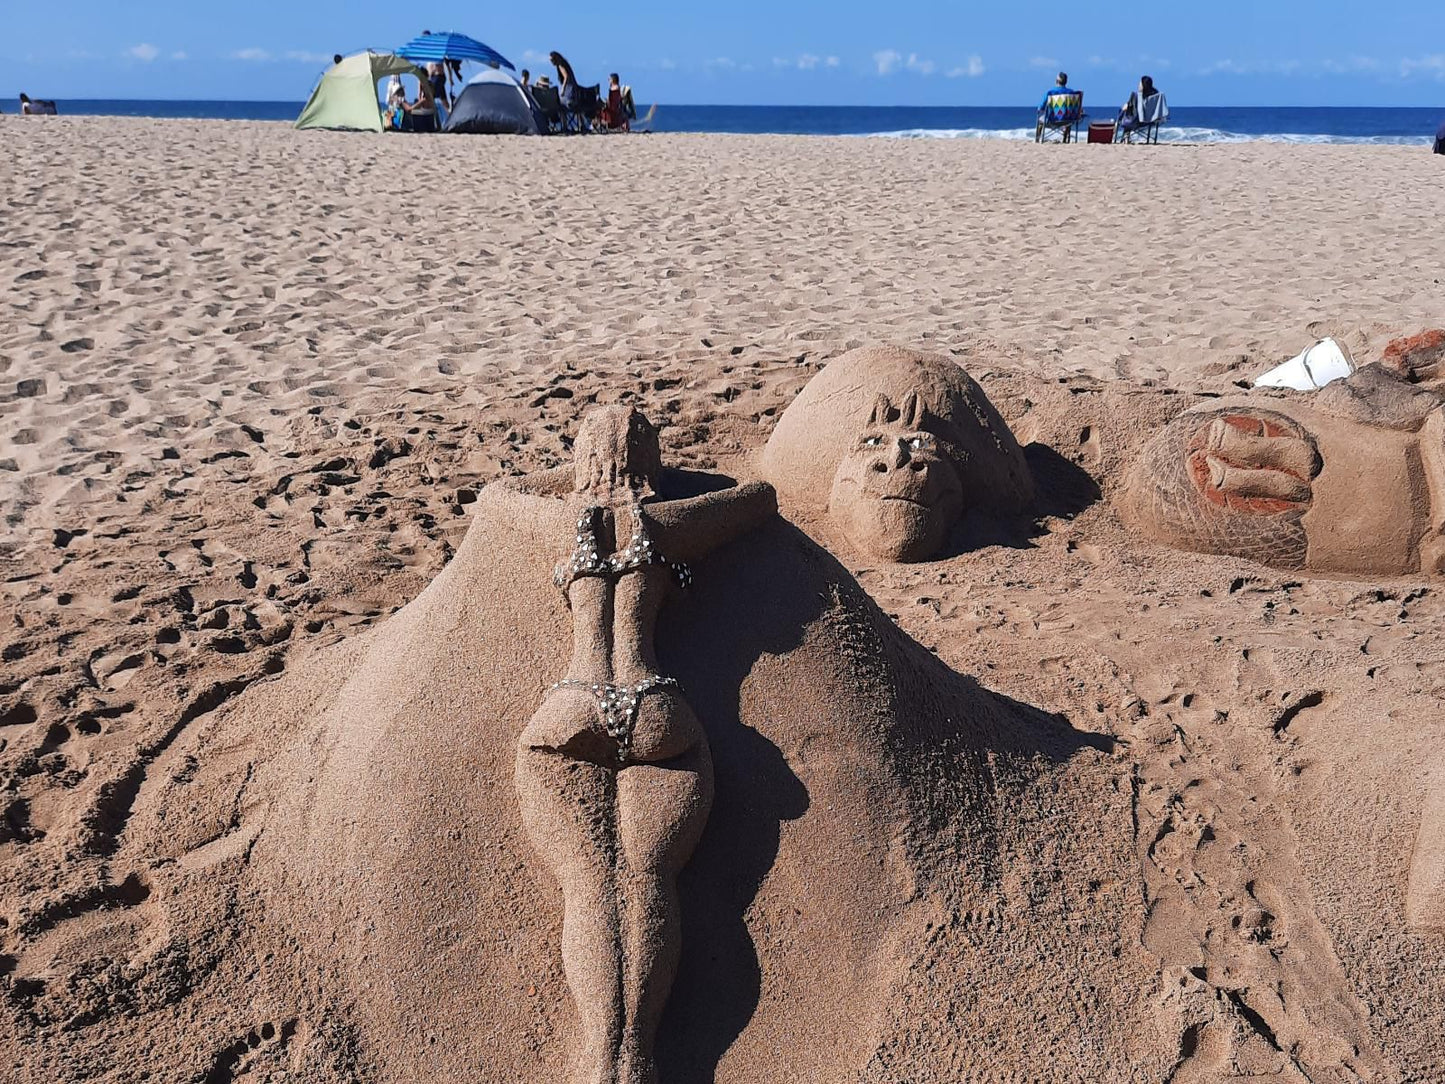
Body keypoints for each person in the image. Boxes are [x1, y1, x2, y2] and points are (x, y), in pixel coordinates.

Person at [1035, 71, 1079, 139]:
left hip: (1053, 119)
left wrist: (1039, 109)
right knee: (1068, 115)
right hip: (1068, 120)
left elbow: (1041, 107)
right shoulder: (1071, 92)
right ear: (1066, 81)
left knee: (1040, 121)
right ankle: (1065, 138)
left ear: (1057, 81)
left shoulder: (1051, 92)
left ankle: (1037, 138)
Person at [1116, 75, 1159, 139]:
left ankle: (1117, 125)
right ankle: (1124, 133)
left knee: (1125, 110)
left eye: (1140, 83)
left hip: (1136, 121)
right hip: (1150, 121)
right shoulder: (1155, 96)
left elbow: (1130, 109)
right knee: (1128, 110)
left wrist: (1125, 107)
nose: (1138, 85)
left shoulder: (1136, 96)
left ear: (1143, 85)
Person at [549, 50, 583, 132]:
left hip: (569, 93)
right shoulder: (565, 64)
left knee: (561, 106)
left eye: (551, 60)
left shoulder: (560, 65)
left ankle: (564, 127)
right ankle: (581, 125)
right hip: (575, 93)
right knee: (577, 108)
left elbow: (566, 76)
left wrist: (563, 89)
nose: (551, 62)